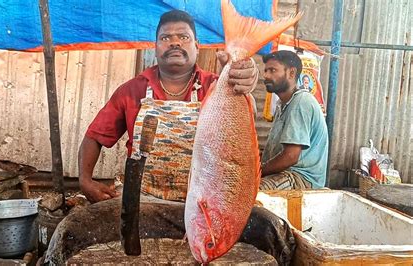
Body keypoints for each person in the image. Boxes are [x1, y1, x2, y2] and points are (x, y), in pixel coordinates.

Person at [44, 10, 295, 265]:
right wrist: (85, 180)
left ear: (197, 46)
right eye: (166, 38)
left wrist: (244, 75)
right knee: (72, 229)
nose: (175, 42)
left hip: (199, 206)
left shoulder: (218, 85)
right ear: (155, 47)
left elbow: (244, 110)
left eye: (183, 37)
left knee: (271, 228)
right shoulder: (132, 90)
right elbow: (93, 137)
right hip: (144, 204)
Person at [260, 50, 328, 190]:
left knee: (250, 193)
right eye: (266, 71)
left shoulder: (301, 102)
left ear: (291, 73)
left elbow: (290, 157)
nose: (266, 75)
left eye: (272, 70)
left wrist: (257, 171)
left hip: (301, 179)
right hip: (286, 174)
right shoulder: (283, 105)